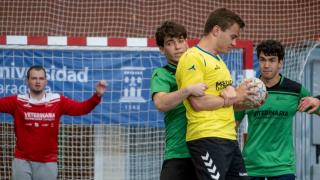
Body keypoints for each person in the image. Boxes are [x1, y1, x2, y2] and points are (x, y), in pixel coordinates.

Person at [176, 8, 257, 180]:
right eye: (233, 36)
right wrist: (234, 95)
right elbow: (198, 103)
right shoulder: (193, 57)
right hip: (207, 137)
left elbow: (226, 102)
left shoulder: (219, 61)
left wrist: (248, 100)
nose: (235, 43)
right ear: (216, 30)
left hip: (229, 137)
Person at [0, 65, 107, 180]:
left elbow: (81, 109)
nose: (37, 82)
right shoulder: (17, 101)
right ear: (27, 81)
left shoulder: (57, 101)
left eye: (41, 78)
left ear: (46, 81)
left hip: (48, 161)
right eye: (34, 78)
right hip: (22, 160)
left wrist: (97, 96)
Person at [235, 40, 312, 180]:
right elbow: (232, 125)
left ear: (280, 62)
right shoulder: (248, 90)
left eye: (272, 60)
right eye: (262, 60)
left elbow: (316, 107)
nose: (266, 65)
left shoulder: (295, 90)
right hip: (251, 167)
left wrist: (316, 100)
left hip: (282, 168)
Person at [151, 21, 207, 180]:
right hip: (178, 153)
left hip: (205, 148)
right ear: (162, 49)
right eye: (170, 43)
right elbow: (161, 103)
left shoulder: (202, 67)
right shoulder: (162, 74)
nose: (178, 47)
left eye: (181, 41)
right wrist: (187, 90)